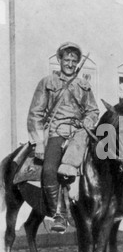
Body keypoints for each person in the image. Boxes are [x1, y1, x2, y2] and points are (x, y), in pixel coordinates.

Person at [27, 42, 100, 233]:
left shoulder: (84, 85)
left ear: (77, 63)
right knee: (50, 171)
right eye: (66, 59)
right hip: (56, 132)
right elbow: (35, 113)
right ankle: (59, 213)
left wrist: (87, 122)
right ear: (59, 60)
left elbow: (93, 111)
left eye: (73, 60)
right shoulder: (47, 82)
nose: (69, 63)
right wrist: (39, 143)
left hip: (79, 134)